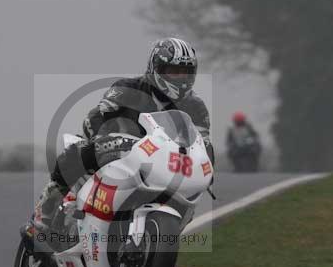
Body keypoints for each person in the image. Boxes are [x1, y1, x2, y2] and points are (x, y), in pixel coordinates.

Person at [29, 37, 214, 232]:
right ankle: (49, 202)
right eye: (174, 71)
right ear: (156, 68)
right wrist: (99, 137)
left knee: (191, 196)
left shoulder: (196, 106)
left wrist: (207, 170)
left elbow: (203, 143)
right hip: (120, 149)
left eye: (186, 72)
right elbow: (97, 115)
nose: (181, 78)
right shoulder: (128, 87)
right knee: (80, 151)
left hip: (162, 160)